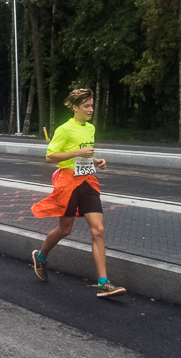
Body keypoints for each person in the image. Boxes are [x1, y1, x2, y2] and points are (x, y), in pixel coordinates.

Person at [31, 89, 126, 297]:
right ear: (75, 107)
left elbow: (85, 155)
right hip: (68, 182)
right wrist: (78, 153)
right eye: (86, 106)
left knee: (98, 230)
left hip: (88, 182)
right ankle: (42, 256)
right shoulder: (64, 129)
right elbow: (50, 157)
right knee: (65, 230)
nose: (91, 109)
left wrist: (96, 161)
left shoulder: (90, 128)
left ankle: (103, 282)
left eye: (92, 105)